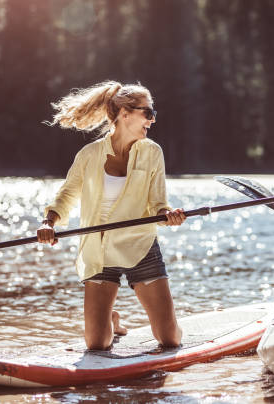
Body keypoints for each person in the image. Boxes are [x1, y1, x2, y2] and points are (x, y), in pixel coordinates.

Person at [37, 81, 186, 350]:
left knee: (169, 338)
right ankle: (111, 320)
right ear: (124, 113)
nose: (152, 121)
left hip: (139, 245)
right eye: (148, 113)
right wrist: (48, 223)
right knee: (97, 344)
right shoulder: (89, 155)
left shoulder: (152, 152)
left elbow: (158, 203)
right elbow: (67, 195)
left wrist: (167, 214)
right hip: (99, 251)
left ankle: (131, 319)